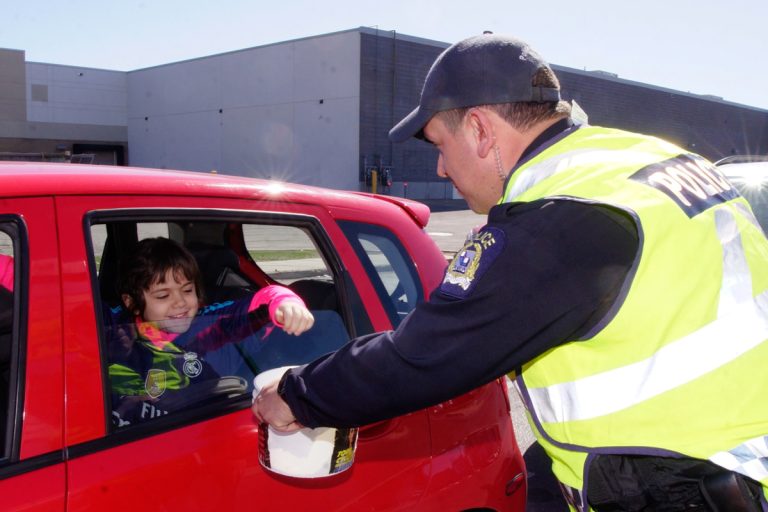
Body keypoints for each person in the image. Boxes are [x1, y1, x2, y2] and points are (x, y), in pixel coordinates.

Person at [252, 33, 768, 511]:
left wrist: (298, 394)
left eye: (438, 145)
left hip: (686, 487)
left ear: (479, 129)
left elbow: (425, 355)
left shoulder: (559, 215)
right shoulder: (641, 158)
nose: (440, 169)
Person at [107, 237, 314, 426]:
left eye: (187, 290)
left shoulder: (208, 325)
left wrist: (285, 303)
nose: (180, 302)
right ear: (132, 303)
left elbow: (258, 304)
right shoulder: (113, 328)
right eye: (163, 296)